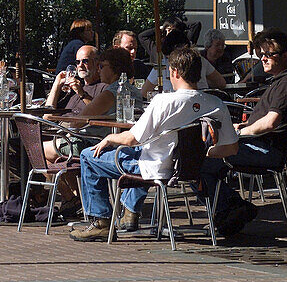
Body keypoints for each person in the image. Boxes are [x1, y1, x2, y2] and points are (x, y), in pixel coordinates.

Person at [69, 46, 239, 241]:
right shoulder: (216, 103)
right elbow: (231, 148)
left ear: (174, 72)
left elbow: (132, 138)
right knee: (142, 150)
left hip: (155, 169)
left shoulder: (163, 101)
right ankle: (129, 210)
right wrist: (197, 153)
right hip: (192, 168)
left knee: (88, 156)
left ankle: (101, 222)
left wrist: (109, 138)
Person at [200, 28, 287, 236]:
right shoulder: (281, 81)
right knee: (203, 157)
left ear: (285, 56)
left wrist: (241, 133)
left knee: (199, 161)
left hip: (265, 150)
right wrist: (240, 127)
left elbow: (270, 122)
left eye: (269, 55)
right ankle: (231, 208)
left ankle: (229, 208)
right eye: (261, 55)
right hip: (259, 145)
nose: (263, 59)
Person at [43, 46, 134, 215]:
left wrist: (80, 93)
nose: (80, 66)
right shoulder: (126, 89)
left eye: (100, 65)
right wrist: (56, 84)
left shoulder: (108, 91)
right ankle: (71, 198)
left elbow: (80, 122)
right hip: (76, 138)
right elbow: (48, 116)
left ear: (112, 67)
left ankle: (70, 200)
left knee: (32, 149)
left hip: (88, 141)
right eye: (77, 62)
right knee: (37, 154)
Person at [138, 26, 227, 95]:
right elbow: (221, 83)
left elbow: (145, 92)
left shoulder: (163, 64)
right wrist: (203, 83)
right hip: (202, 104)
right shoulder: (200, 60)